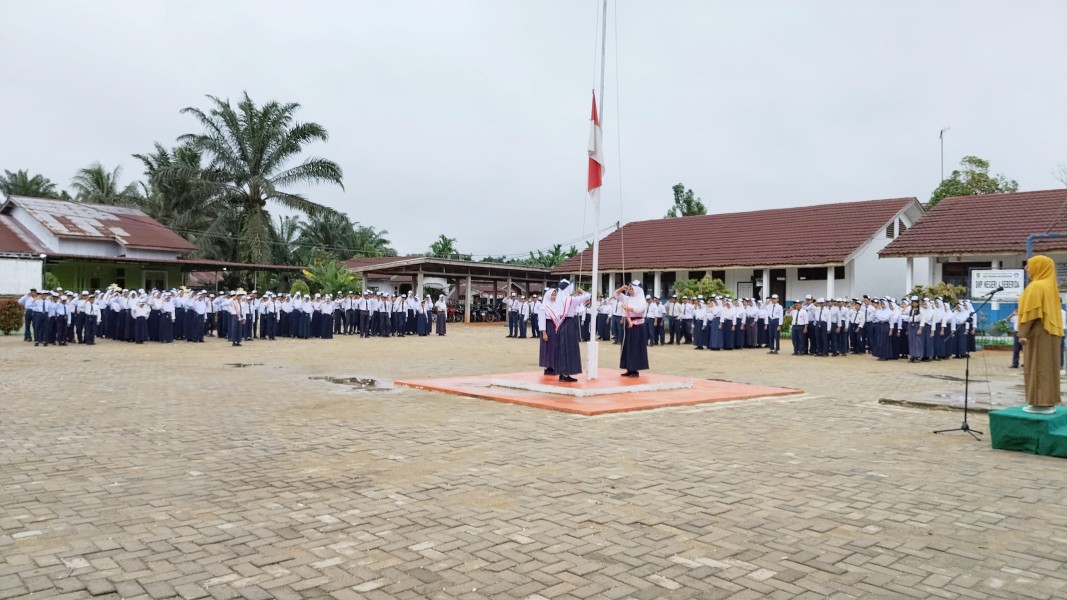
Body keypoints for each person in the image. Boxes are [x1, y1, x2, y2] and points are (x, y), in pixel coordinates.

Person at [1017, 255, 1064, 413]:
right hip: (1051, 333)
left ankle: (1039, 403)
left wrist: (1022, 333)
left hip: (1037, 333)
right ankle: (1049, 401)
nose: (1027, 268)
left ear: (1040, 267)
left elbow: (1031, 313)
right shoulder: (1051, 287)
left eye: (1030, 265)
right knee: (1049, 367)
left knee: (1036, 366)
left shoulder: (1036, 286)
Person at [550, 279, 590, 383]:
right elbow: (587, 296)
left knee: (563, 349)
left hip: (562, 324)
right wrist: (582, 292)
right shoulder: (570, 299)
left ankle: (564, 373)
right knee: (568, 349)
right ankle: (565, 374)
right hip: (569, 324)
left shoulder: (560, 299)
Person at [615, 281, 650, 377]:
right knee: (627, 346)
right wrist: (621, 289)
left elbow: (639, 310)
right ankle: (629, 368)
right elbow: (616, 294)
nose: (630, 291)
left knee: (635, 347)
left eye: (632, 289)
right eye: (629, 289)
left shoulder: (641, 300)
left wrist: (627, 308)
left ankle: (635, 370)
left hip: (637, 325)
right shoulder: (628, 298)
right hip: (628, 324)